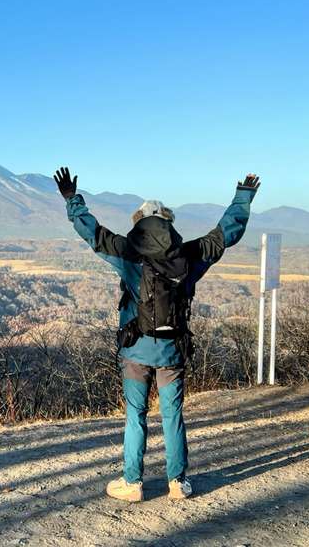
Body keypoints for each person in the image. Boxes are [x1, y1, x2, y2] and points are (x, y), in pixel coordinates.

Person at [53, 167, 260, 502]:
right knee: (172, 415)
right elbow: (226, 234)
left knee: (135, 415)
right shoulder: (190, 255)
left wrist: (71, 199)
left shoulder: (127, 253)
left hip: (135, 351)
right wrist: (243, 197)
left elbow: (93, 233)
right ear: (168, 222)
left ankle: (132, 483)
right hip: (172, 352)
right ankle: (177, 482)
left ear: (139, 223)